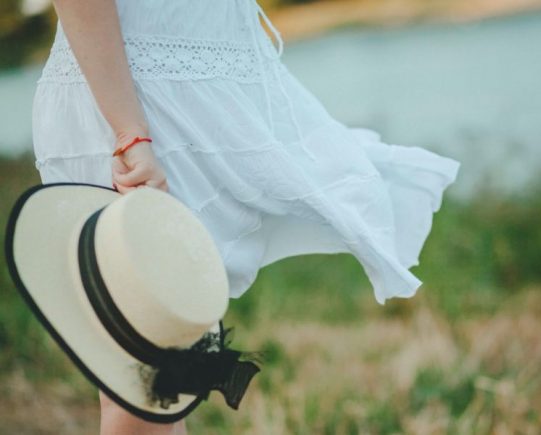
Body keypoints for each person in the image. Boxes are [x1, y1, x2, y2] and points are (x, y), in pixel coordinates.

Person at [33, 0, 461, 433]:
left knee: (164, 385)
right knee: (144, 391)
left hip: (196, 108)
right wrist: (129, 132)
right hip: (131, 119)